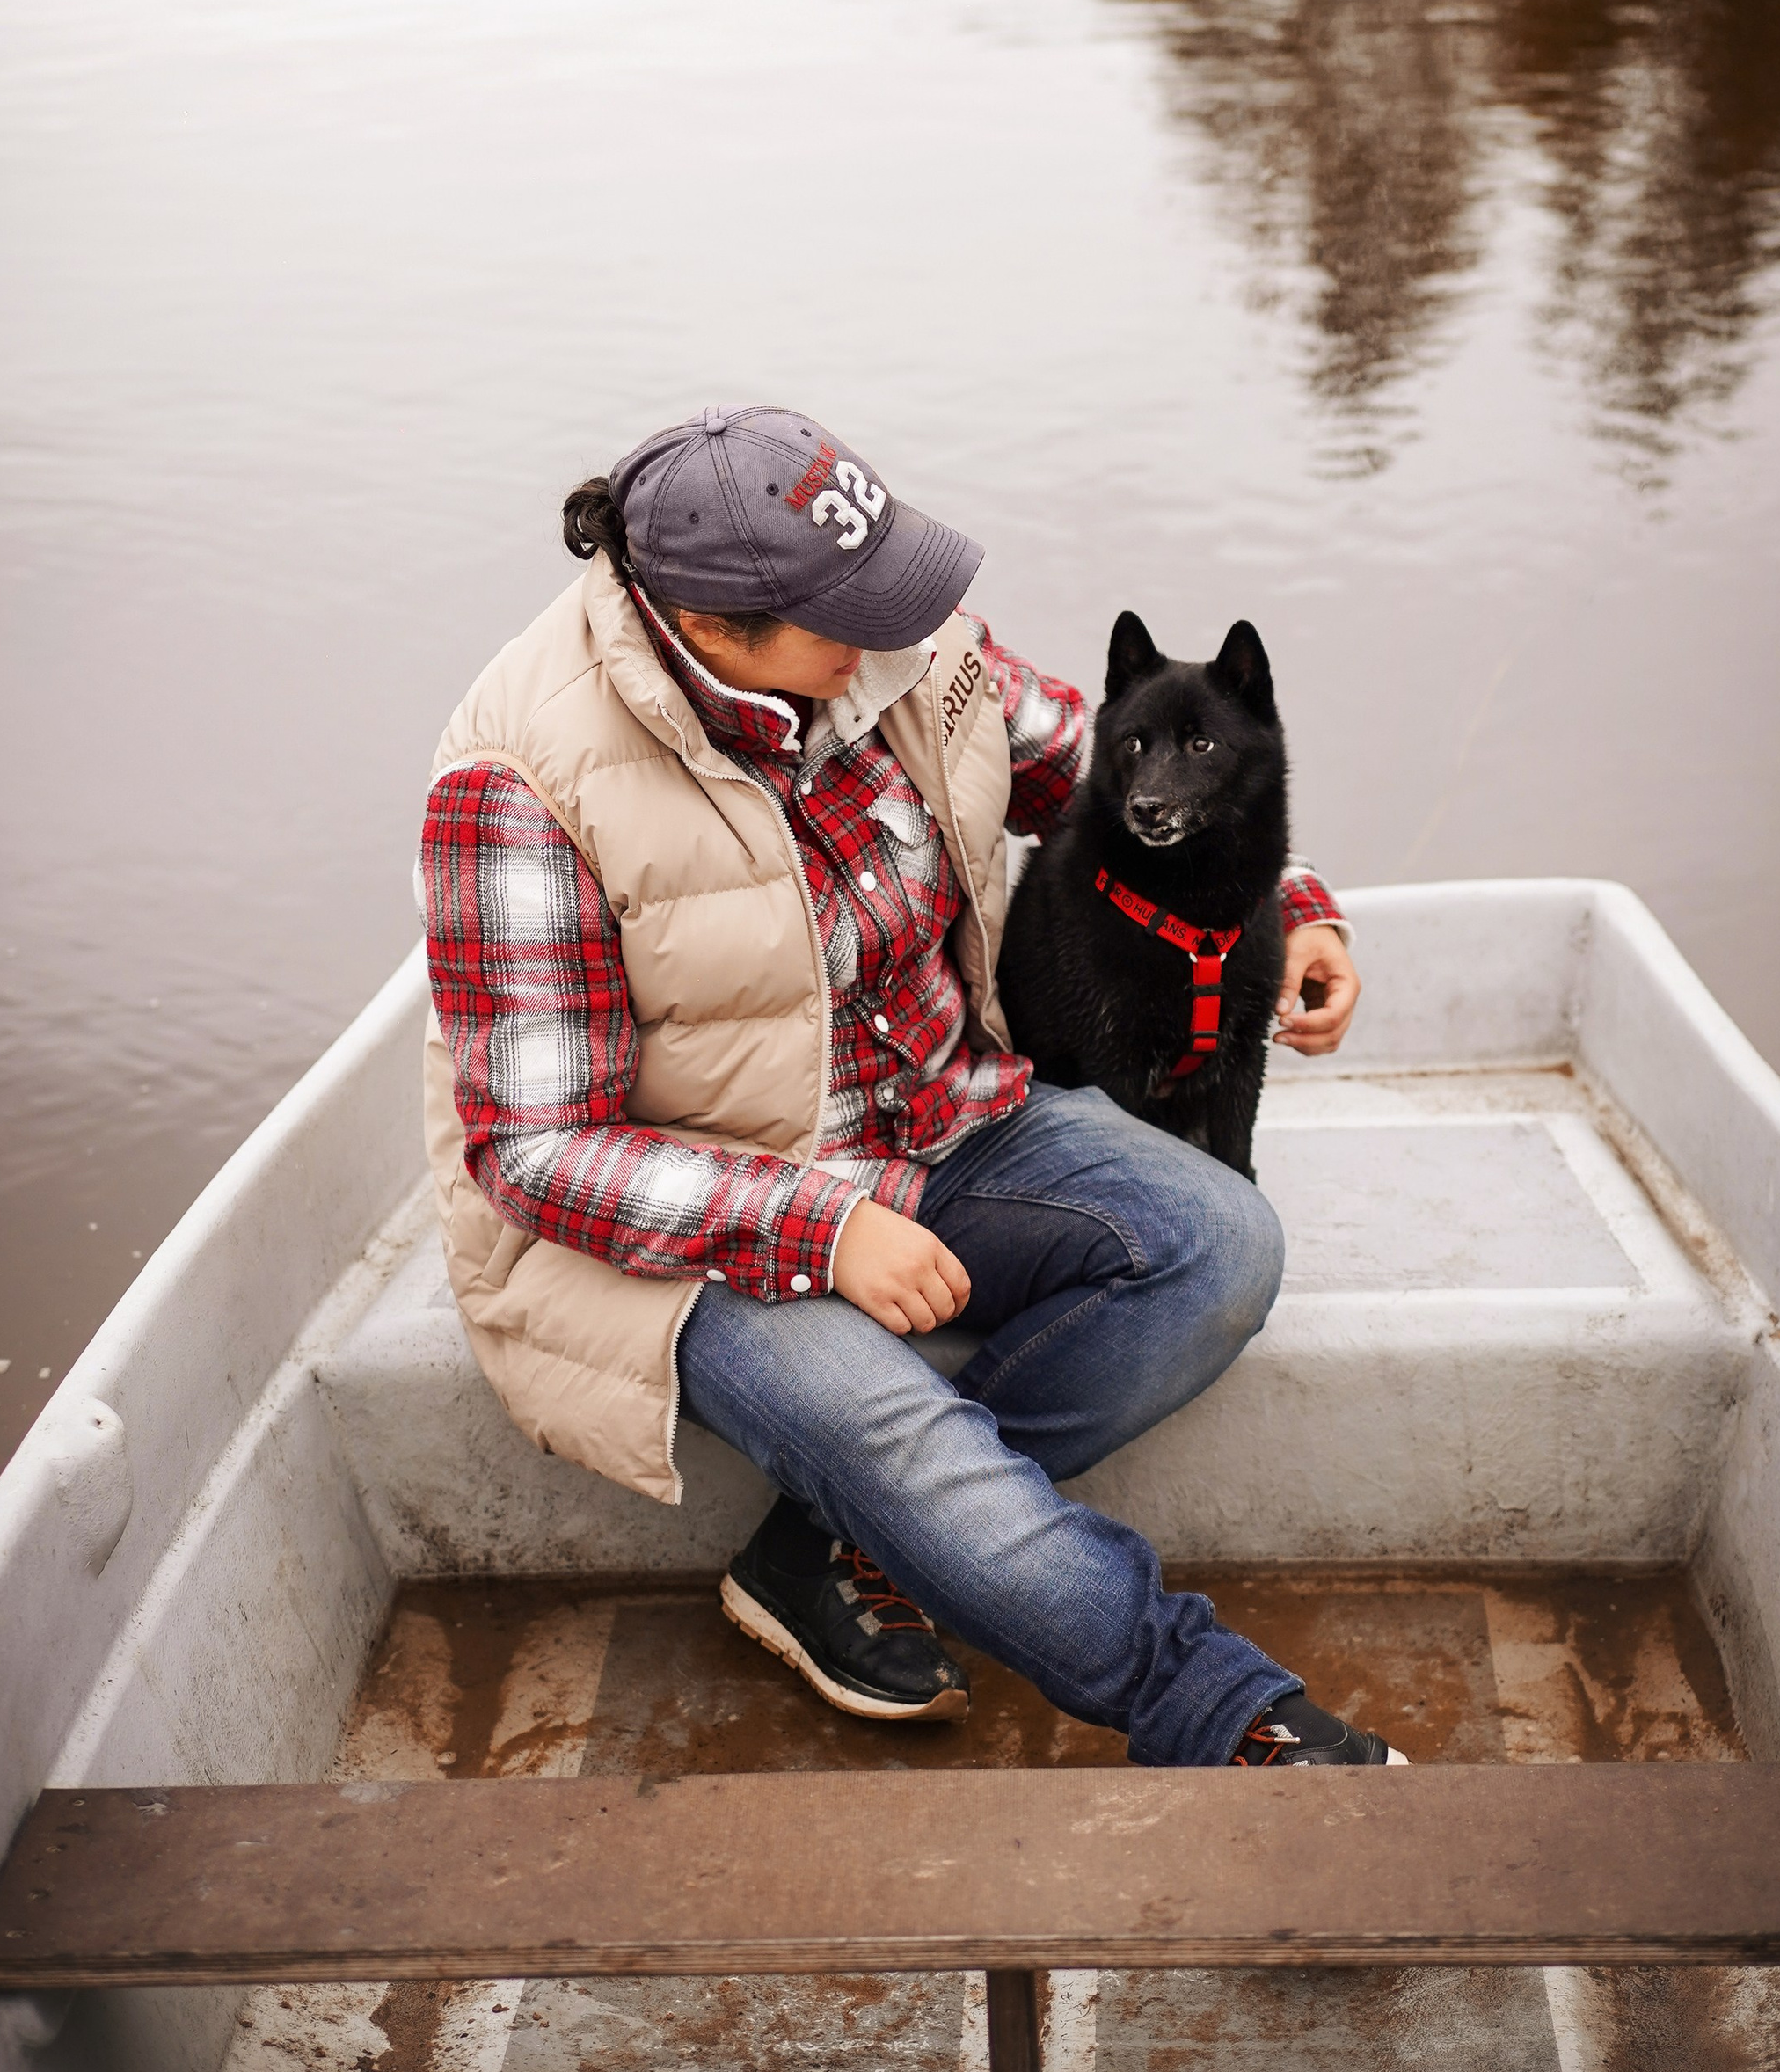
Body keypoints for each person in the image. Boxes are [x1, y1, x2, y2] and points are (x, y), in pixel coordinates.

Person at [418, 404, 1404, 1768]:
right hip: (693, 1232)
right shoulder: (518, 777)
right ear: (714, 623)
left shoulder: (903, 645)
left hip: (938, 1120)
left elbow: (1093, 767)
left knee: (1222, 1246)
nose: (898, 631)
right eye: (852, 612)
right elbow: (537, 1150)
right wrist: (822, 1229)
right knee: (902, 1432)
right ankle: (1220, 1709)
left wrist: (1291, 905)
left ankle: (819, 1546)